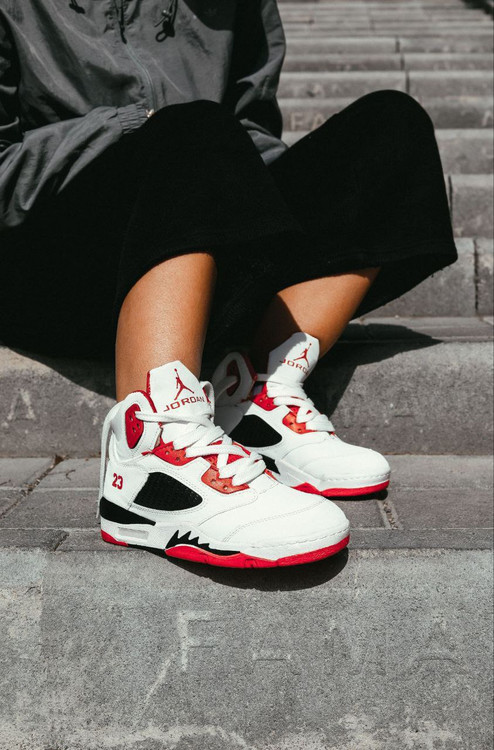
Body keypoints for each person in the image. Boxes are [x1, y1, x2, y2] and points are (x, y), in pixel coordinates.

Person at [0, 1, 457, 568]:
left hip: (202, 248)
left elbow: (252, 130)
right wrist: (134, 126)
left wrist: (272, 193)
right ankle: (152, 459)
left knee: (391, 125)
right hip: (58, 259)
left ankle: (253, 392)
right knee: (190, 125)